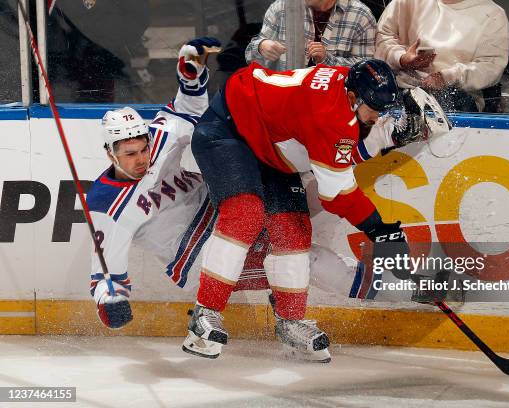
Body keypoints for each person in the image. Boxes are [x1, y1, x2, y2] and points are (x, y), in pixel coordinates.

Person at [187, 58, 423, 362]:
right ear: (353, 98)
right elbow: (336, 194)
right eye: (374, 109)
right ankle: (204, 314)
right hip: (227, 130)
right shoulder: (331, 117)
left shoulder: (344, 83)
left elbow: (336, 154)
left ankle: (290, 322)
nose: (378, 116)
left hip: (269, 146)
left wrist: (385, 137)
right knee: (245, 213)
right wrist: (381, 230)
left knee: (294, 228)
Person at [87, 37, 221, 329]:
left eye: (143, 149)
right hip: (193, 253)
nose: (141, 159)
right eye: (130, 154)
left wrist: (191, 77)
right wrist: (111, 301)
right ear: (110, 153)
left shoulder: (158, 139)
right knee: (287, 259)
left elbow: (188, 109)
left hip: (217, 209)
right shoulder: (105, 204)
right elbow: (106, 274)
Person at [375, 0, 509, 112]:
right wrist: (402, 58)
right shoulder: (405, 2)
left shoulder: (493, 15)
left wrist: (447, 77)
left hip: (456, 98)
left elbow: (491, 66)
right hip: (398, 88)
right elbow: (383, 36)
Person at [245, 0, 377, 70]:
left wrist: (327, 60)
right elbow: (250, 57)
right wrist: (261, 47)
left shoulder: (361, 16)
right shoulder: (281, 8)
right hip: (285, 99)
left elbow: (368, 70)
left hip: (332, 104)